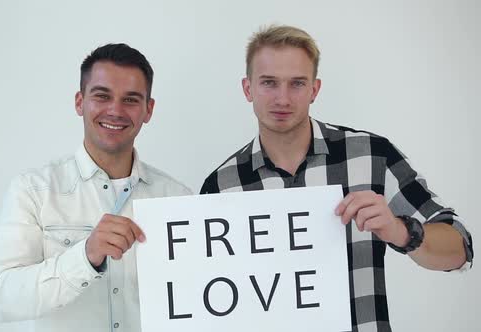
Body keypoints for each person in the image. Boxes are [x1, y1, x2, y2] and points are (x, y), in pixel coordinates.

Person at [200, 25, 473, 331]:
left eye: (297, 84)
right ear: (247, 88)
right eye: (269, 83)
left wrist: (399, 230)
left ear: (314, 89)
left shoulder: (372, 156)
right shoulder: (221, 187)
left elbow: (459, 248)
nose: (283, 98)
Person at [0, 43, 191, 332]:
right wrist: (85, 257)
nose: (115, 110)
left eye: (131, 100)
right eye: (102, 96)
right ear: (79, 102)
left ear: (149, 110)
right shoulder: (33, 191)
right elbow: (2, 299)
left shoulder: (178, 199)